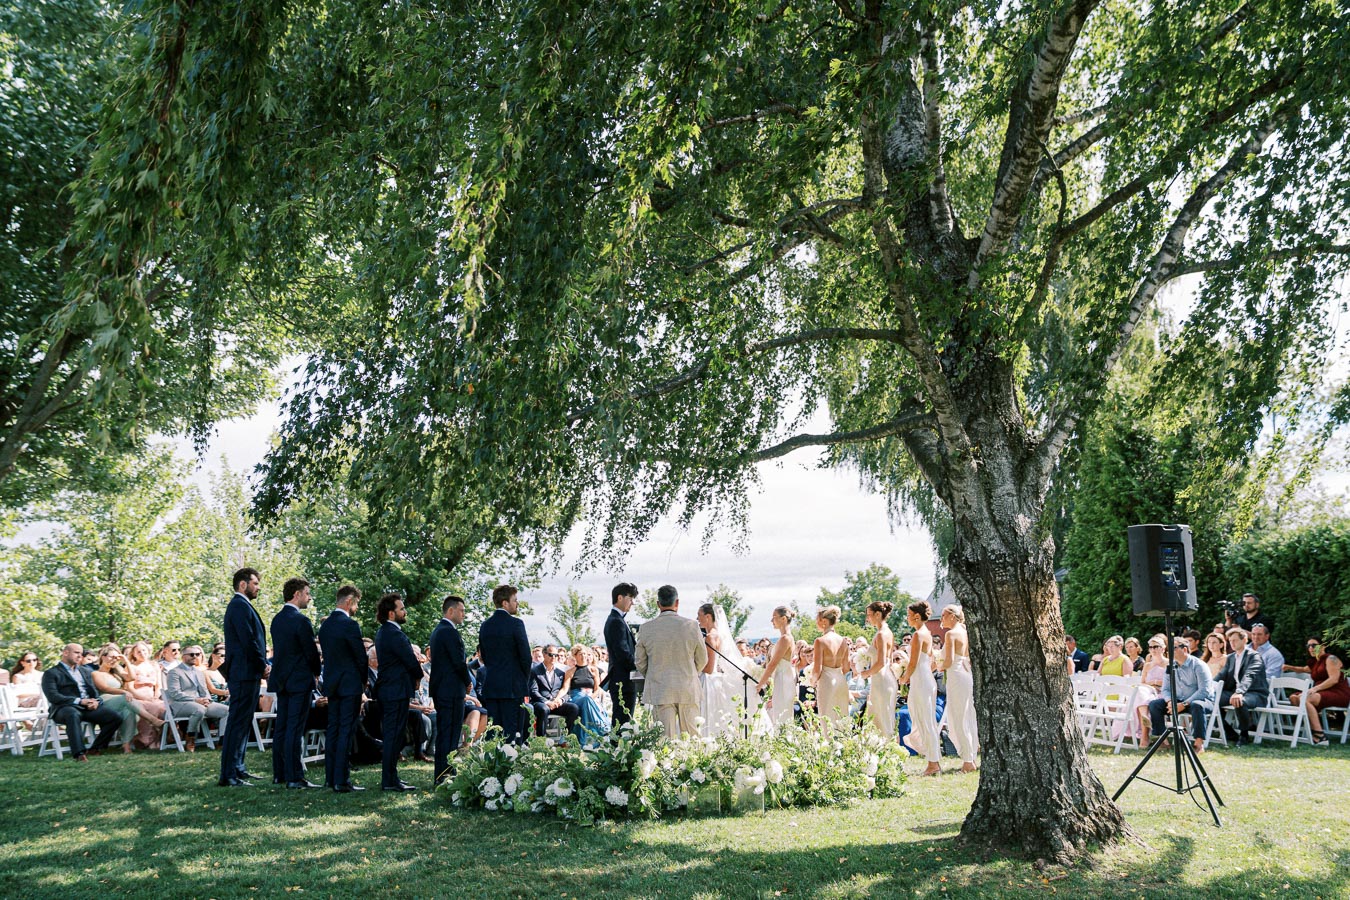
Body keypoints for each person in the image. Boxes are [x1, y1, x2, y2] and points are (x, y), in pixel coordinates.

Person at [634, 585, 706, 740]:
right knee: (692, 738)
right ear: (677, 602)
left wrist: (653, 673)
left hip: (660, 687)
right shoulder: (691, 626)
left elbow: (640, 661)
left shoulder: (646, 628)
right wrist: (692, 672)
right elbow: (702, 658)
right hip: (687, 686)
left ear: (658, 604)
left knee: (664, 740)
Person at [270, 577, 322, 788]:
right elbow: (310, 652)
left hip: (282, 680)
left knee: (281, 727)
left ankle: (279, 773)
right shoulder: (301, 620)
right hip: (299, 680)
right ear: (297, 594)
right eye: (307, 593)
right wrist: (317, 672)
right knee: (295, 728)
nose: (309, 598)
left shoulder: (277, 619)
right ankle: (294, 777)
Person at [219, 567, 268, 787]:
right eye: (255, 583)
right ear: (243, 584)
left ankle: (238, 767)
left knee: (244, 722)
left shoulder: (242, 606)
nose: (258, 588)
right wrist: (263, 665)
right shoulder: (239, 606)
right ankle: (228, 773)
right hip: (243, 673)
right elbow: (249, 641)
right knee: (237, 722)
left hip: (247, 673)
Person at [318, 585, 367, 792]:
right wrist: (363, 682)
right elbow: (360, 657)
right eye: (356, 603)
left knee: (334, 729)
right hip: (349, 684)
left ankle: (330, 777)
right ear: (349, 602)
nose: (356, 608)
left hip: (332, 684)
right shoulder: (350, 625)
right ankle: (342, 780)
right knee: (346, 731)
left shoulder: (325, 626)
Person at [41, 644, 125, 761]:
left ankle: (95, 748)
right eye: (76, 653)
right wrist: (80, 701)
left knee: (115, 717)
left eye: (81, 653)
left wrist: (96, 701)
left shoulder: (85, 671)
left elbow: (94, 692)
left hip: (87, 707)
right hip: (63, 708)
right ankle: (79, 753)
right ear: (65, 653)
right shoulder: (51, 673)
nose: (80, 656)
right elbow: (53, 696)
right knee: (73, 714)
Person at [373, 592, 421, 791]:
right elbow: (409, 659)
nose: (405, 611)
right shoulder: (393, 633)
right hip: (395, 690)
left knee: (394, 734)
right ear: (391, 613)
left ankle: (391, 778)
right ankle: (389, 780)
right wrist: (418, 676)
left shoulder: (385, 632)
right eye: (401, 608)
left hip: (391, 689)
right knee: (394, 735)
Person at [478, 584, 532, 745]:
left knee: (493, 732)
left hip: (492, 685)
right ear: (504, 603)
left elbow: (485, 656)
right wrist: (523, 679)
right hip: (512, 687)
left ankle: (492, 766)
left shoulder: (485, 625)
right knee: (511, 733)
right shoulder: (516, 624)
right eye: (515, 600)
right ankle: (508, 767)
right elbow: (526, 657)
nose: (517, 603)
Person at [1148, 637, 1217, 753]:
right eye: (1168, 649)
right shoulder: (1170, 666)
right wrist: (1170, 701)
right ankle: (1163, 741)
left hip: (1203, 701)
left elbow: (1204, 691)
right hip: (1179, 701)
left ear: (1184, 649)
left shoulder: (1199, 665)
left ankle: (1199, 744)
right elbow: (1165, 689)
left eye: (1173, 648)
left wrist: (1184, 704)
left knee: (1196, 705)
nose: (1169, 652)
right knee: (1155, 705)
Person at [429, 594, 470, 784]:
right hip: (451, 689)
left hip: (443, 689)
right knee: (450, 732)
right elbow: (458, 662)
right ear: (451, 610)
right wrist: (467, 680)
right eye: (461, 610)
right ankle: (445, 774)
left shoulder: (439, 630)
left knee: (447, 732)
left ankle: (444, 772)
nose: (464, 614)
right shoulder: (448, 631)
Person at [91, 644, 160, 752]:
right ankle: (152, 719)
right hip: (105, 700)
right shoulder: (96, 673)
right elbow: (104, 688)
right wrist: (123, 691)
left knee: (129, 711)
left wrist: (126, 661)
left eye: (116, 658)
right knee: (125, 698)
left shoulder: (116, 673)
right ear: (103, 657)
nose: (114, 660)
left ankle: (126, 745)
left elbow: (132, 677)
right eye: (111, 657)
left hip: (122, 701)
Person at [900, 602, 941, 775]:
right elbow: (931, 661)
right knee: (923, 719)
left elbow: (913, 662)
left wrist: (903, 678)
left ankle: (933, 764)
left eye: (909, 615)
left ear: (917, 616)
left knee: (925, 721)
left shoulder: (918, 635)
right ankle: (932, 760)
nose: (907, 618)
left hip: (921, 681)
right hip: (925, 679)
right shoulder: (928, 634)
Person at [936, 605, 977, 772]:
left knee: (958, 717)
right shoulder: (966, 632)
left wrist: (938, 665)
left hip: (956, 676)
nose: (941, 619)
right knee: (967, 716)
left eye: (944, 615)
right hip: (965, 675)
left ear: (952, 616)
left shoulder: (951, 634)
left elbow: (949, 660)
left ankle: (968, 761)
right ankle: (971, 756)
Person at [165, 645, 229, 752]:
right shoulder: (174, 672)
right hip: (180, 704)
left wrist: (207, 699)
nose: (195, 656)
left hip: (201, 703)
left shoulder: (199, 672)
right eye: (191, 654)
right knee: (198, 709)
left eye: (197, 654)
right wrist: (196, 700)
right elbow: (175, 693)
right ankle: (190, 737)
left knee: (226, 710)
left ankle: (222, 741)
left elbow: (204, 691)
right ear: (183, 656)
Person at [1287, 638, 1349, 746]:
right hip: (1322, 692)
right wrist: (1288, 667)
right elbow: (1303, 669)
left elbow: (1334, 679)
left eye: (1314, 645)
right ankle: (1311, 728)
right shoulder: (1315, 662)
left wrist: (1315, 689)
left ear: (1323, 646)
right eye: (1308, 646)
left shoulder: (1331, 659)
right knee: (1294, 697)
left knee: (1304, 698)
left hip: (1338, 692)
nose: (1311, 648)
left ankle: (1320, 735)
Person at [859, 601, 898, 739]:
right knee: (879, 715)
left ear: (878, 614)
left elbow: (881, 662)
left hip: (881, 678)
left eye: (869, 615)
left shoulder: (882, 634)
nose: (867, 618)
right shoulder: (887, 632)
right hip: (883, 678)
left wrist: (866, 673)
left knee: (882, 716)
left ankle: (888, 749)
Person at [603, 582, 639, 728]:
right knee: (622, 722)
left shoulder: (617, 620)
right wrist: (639, 666)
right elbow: (623, 653)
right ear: (620, 598)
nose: (633, 603)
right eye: (630, 598)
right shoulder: (616, 621)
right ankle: (617, 749)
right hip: (622, 680)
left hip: (622, 679)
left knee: (624, 720)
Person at [755, 607, 796, 730]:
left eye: (774, 617)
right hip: (781, 678)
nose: (771, 621)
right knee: (780, 714)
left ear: (783, 619)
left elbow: (772, 664)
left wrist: (759, 684)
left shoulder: (785, 639)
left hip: (784, 679)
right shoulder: (785, 638)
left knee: (782, 715)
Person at [561, 645, 610, 747]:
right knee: (586, 701)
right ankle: (603, 728)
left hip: (591, 697)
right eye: (580, 654)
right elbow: (565, 688)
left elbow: (597, 689)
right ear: (575, 656)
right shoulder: (570, 671)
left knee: (587, 701)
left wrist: (590, 698)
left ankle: (586, 739)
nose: (583, 656)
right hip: (576, 697)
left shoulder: (593, 670)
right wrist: (557, 698)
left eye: (585, 654)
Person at [529, 644, 580, 739]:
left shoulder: (560, 673)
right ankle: (541, 740)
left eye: (556, 655)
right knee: (544, 709)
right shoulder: (534, 671)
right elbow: (533, 691)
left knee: (574, 708)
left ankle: (565, 739)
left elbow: (566, 692)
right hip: (540, 702)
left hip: (556, 702)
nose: (554, 657)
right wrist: (547, 702)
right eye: (551, 654)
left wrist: (561, 700)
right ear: (544, 654)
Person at [124, 641, 167, 748]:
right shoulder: (131, 667)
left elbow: (158, 685)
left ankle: (163, 737)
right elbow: (129, 688)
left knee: (165, 707)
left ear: (148, 651)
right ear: (133, 654)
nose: (142, 653)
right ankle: (147, 739)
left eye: (144, 650)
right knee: (152, 707)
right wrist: (145, 698)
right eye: (138, 651)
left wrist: (156, 695)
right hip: (137, 697)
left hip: (153, 696)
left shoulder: (154, 665)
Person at [1127, 635, 1169, 745]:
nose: (1153, 650)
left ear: (1163, 648)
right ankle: (1145, 719)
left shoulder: (1168, 664)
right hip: (1148, 691)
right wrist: (1152, 683)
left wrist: (1156, 682)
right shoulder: (1147, 665)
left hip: (1162, 693)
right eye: (1151, 647)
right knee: (1141, 691)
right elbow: (1143, 682)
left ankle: (1144, 738)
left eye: (1156, 647)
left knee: (1141, 698)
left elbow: (1171, 683)